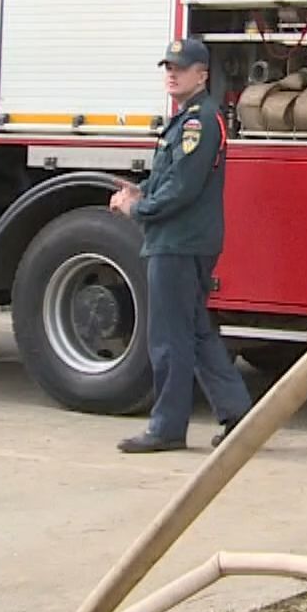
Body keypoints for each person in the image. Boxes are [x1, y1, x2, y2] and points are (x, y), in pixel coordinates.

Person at [110, 39, 252, 453]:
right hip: (186, 240)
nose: (172, 73)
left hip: (178, 242)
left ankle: (167, 428)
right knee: (195, 332)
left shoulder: (197, 122)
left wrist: (137, 209)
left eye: (181, 67)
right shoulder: (189, 119)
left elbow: (181, 189)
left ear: (202, 74)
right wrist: (139, 190)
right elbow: (170, 179)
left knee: (169, 337)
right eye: (168, 67)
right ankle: (237, 413)